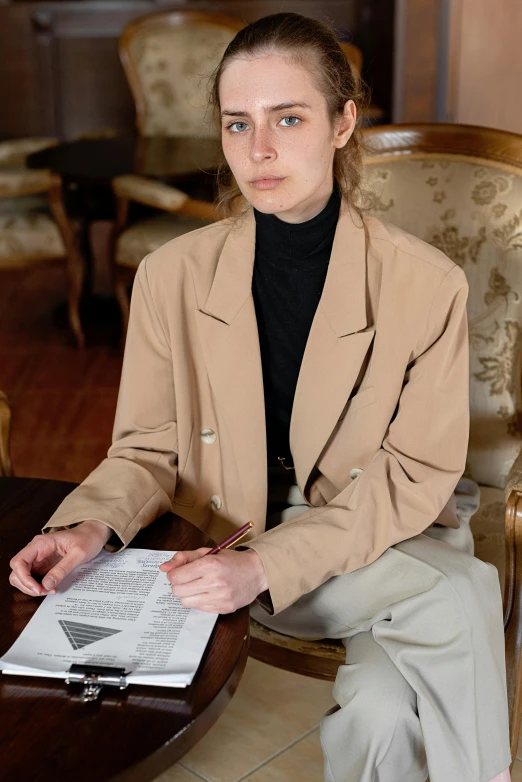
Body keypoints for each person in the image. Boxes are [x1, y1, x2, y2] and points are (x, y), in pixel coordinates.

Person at [9, 12, 512, 782]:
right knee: (464, 591)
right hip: (227, 545)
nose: (260, 149)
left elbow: (412, 477)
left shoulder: (425, 284)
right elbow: (145, 449)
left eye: (288, 117)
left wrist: (272, 563)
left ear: (344, 123)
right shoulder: (171, 277)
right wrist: (89, 527)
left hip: (378, 545)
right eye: (237, 123)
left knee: (381, 713)